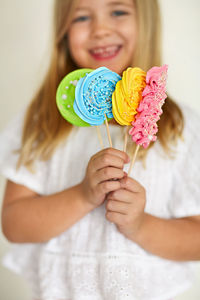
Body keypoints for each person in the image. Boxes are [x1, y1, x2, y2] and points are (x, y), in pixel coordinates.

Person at [1, 0, 200, 299]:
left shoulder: (181, 127)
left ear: (145, 23)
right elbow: (15, 225)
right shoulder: (43, 121)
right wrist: (83, 195)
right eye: (81, 17)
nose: (101, 30)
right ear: (63, 32)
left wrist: (140, 224)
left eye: (118, 11)